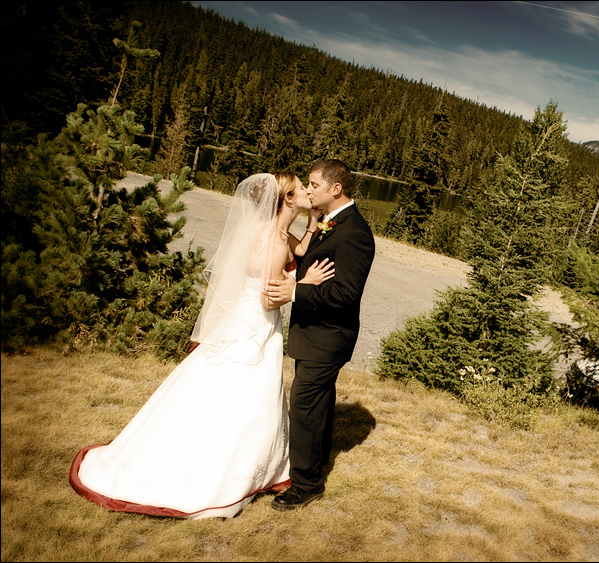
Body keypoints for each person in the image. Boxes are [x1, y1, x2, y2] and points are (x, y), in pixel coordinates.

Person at [69, 172, 334, 519]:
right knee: (245, 396)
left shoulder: (276, 232)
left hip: (246, 324)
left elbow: (297, 248)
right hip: (254, 326)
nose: (307, 192)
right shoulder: (273, 239)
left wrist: (313, 222)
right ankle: (225, 469)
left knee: (230, 393)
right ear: (285, 198)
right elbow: (269, 299)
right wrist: (303, 282)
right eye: (301, 188)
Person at [265, 159, 375, 510]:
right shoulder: (331, 222)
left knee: (304, 406)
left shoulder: (355, 233)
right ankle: (316, 462)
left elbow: (345, 294)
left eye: (313, 184)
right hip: (314, 334)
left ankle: (307, 484)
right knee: (318, 403)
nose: (308, 190)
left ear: (335, 189)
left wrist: (295, 292)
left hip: (328, 337)